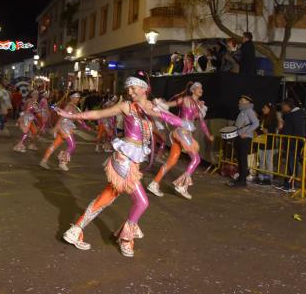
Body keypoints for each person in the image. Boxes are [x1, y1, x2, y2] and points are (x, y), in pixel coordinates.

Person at [57, 71, 193, 257]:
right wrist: (70, 116)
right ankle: (126, 238)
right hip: (124, 158)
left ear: (144, 89)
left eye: (133, 87)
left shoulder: (151, 107)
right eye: (128, 88)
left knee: (108, 195)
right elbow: (98, 113)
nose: (130, 91)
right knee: (142, 201)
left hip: (133, 160)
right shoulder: (127, 106)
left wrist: (179, 121)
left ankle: (76, 229)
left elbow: (165, 119)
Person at [148, 82, 214, 199]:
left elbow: (202, 123)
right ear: (193, 90)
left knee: (171, 161)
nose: (201, 90)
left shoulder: (198, 105)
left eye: (202, 89)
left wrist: (208, 135)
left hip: (182, 134)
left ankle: (154, 184)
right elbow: (168, 104)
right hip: (182, 133)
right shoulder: (185, 99)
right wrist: (158, 103)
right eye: (199, 88)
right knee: (197, 159)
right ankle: (182, 186)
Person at [39, 91, 91, 171]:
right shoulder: (69, 106)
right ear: (72, 98)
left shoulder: (74, 106)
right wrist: (56, 127)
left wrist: (85, 126)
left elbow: (78, 118)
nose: (78, 99)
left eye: (79, 97)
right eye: (77, 97)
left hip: (65, 127)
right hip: (64, 127)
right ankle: (63, 162)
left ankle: (44, 161)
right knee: (72, 146)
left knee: (55, 144)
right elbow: (62, 117)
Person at [228, 95, 260, 187]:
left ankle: (242, 181)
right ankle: (241, 178)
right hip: (239, 137)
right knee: (239, 158)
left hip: (245, 138)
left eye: (241, 100)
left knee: (242, 159)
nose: (239, 102)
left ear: (247, 102)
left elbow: (256, 123)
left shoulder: (249, 111)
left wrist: (246, 132)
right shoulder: (242, 111)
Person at [279, 98, 306, 192]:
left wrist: (301, 144)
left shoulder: (296, 115)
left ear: (287, 106)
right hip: (289, 143)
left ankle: (292, 184)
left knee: (292, 164)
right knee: (289, 164)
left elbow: (299, 131)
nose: (282, 108)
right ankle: (287, 183)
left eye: (283, 106)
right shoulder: (289, 115)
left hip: (294, 144)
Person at [255, 102, 278, 185]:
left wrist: (266, 131)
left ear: (270, 109)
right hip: (261, 141)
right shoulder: (262, 118)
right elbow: (259, 128)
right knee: (261, 160)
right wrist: (258, 131)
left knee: (268, 161)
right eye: (263, 108)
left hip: (269, 143)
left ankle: (268, 178)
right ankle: (261, 177)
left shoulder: (273, 119)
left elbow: (271, 131)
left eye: (265, 108)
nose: (263, 109)